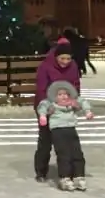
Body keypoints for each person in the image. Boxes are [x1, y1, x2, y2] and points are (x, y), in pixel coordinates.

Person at [32, 38, 81, 182]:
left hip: (65, 108)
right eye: (62, 58)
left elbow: (76, 85)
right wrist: (47, 107)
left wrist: (73, 100)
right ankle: (41, 171)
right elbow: (41, 89)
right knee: (46, 139)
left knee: (67, 140)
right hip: (47, 107)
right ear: (56, 56)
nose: (65, 61)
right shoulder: (45, 66)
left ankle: (69, 170)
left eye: (68, 58)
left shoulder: (73, 66)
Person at [36, 80, 93, 191]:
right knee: (64, 154)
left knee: (77, 153)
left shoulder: (71, 103)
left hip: (71, 129)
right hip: (58, 130)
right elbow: (42, 105)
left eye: (66, 94)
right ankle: (65, 178)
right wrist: (43, 116)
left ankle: (79, 176)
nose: (63, 97)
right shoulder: (51, 104)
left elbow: (82, 101)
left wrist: (88, 111)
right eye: (60, 94)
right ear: (55, 96)